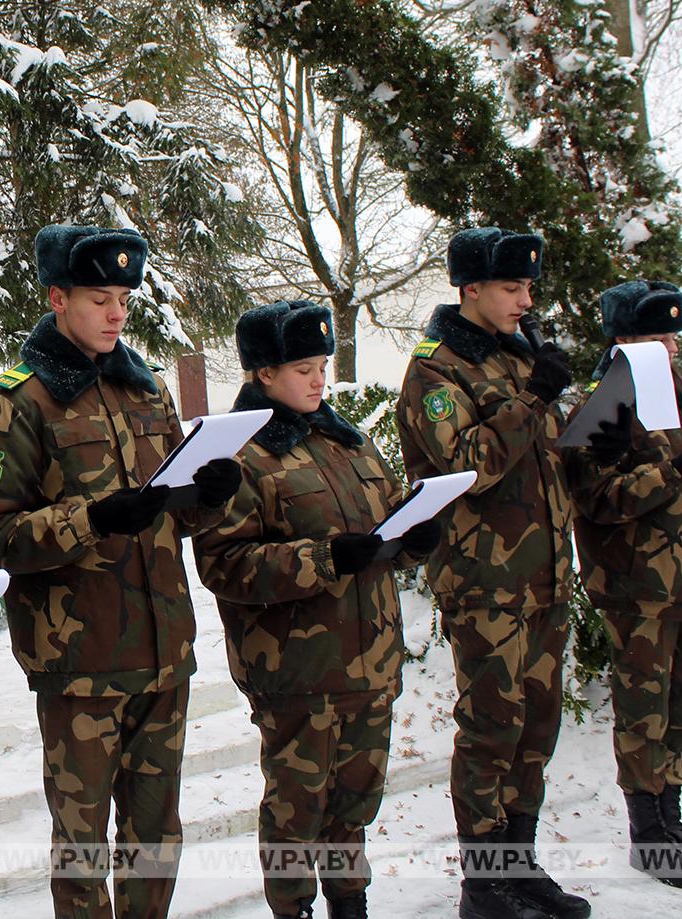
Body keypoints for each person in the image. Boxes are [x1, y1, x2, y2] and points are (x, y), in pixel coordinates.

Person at [0, 224, 242, 919]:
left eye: (123, 297)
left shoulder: (144, 389)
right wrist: (92, 519)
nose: (118, 312)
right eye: (99, 297)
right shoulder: (16, 403)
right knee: (83, 844)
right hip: (81, 664)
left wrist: (207, 497)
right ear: (58, 298)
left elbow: (176, 516)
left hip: (163, 654)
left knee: (157, 837)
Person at [193, 301, 440, 919]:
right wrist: (327, 558)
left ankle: (349, 903)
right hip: (298, 671)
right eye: (302, 367)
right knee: (295, 809)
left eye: (322, 366)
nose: (317, 379)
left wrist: (409, 541)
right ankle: (293, 908)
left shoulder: (346, 442)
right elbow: (226, 565)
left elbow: (378, 533)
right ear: (263, 374)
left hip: (371, 662)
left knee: (355, 801)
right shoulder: (240, 456)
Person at [395, 227, 590, 919]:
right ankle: (484, 883)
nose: (525, 299)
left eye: (529, 287)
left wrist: (595, 432)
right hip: (486, 581)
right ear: (470, 288)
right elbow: (467, 466)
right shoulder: (436, 371)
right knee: (492, 725)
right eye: (512, 287)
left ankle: (520, 864)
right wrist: (533, 397)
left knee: (537, 725)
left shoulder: (518, 357)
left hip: (543, 575)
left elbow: (544, 461)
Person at [566, 281, 682, 891]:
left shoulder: (679, 397)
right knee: (643, 715)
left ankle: (671, 823)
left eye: (674, 335)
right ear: (623, 341)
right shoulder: (605, 405)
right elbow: (595, 500)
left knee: (679, 712)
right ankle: (647, 834)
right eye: (657, 336)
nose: (671, 346)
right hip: (637, 587)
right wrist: (674, 470)